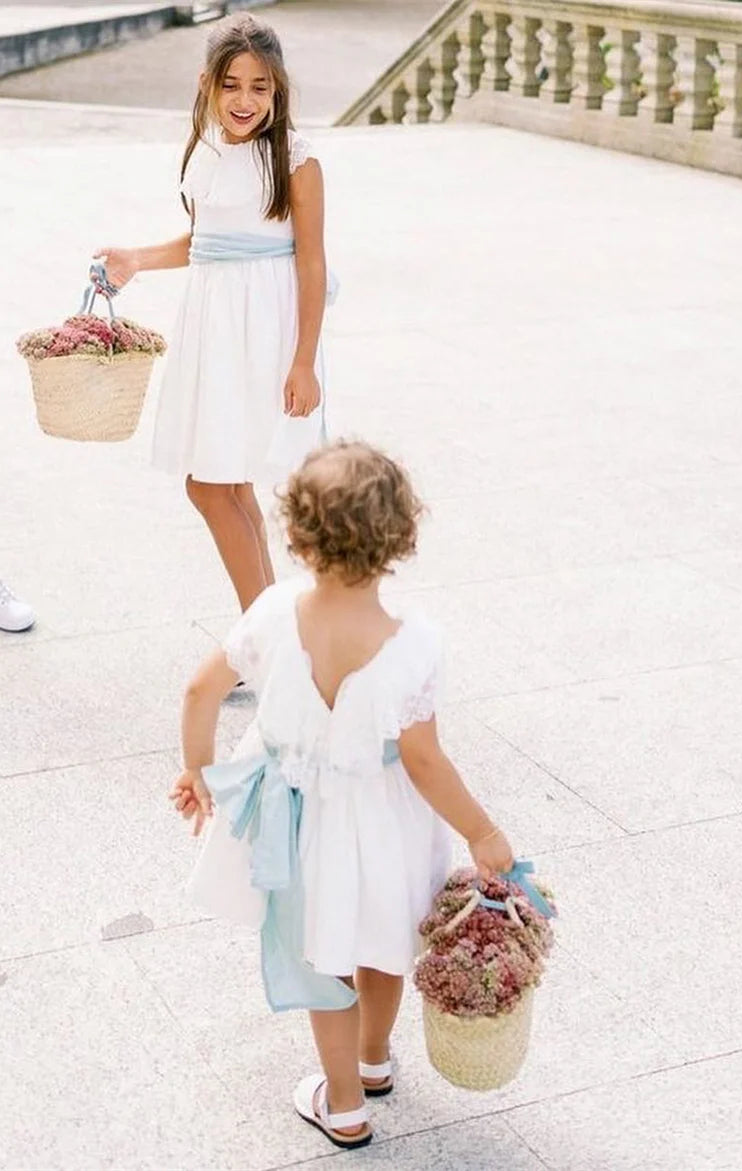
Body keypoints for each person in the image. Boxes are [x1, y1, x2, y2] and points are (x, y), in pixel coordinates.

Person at [169, 442, 514, 1151]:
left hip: (297, 822)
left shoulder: (270, 610)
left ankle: (346, 1104)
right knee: (382, 941)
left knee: (321, 956)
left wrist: (198, 771)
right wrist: (481, 831)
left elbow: (200, 689)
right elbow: (423, 759)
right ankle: (374, 1057)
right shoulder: (414, 642)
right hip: (382, 819)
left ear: (295, 534)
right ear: (401, 536)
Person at [94, 14, 327, 611]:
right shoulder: (206, 152)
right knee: (228, 480)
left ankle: (263, 635)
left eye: (259, 87)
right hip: (214, 329)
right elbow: (204, 243)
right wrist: (135, 259)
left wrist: (303, 362)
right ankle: (271, 628)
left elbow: (312, 266)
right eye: (231, 85)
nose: (245, 100)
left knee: (209, 484)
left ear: (278, 90)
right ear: (207, 85)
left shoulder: (296, 162)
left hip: (264, 332)